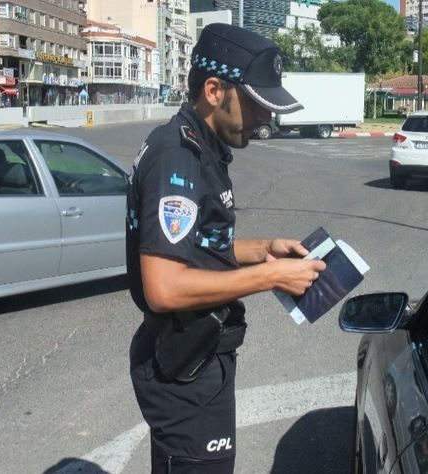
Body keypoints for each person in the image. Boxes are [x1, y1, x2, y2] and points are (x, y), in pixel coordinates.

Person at [126, 23, 326, 473]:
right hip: (185, 372)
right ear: (214, 90)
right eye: (256, 104)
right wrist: (272, 276)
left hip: (200, 359)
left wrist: (263, 250)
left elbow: (196, 246)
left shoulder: (201, 148)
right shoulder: (177, 155)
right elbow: (163, 286)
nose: (265, 118)